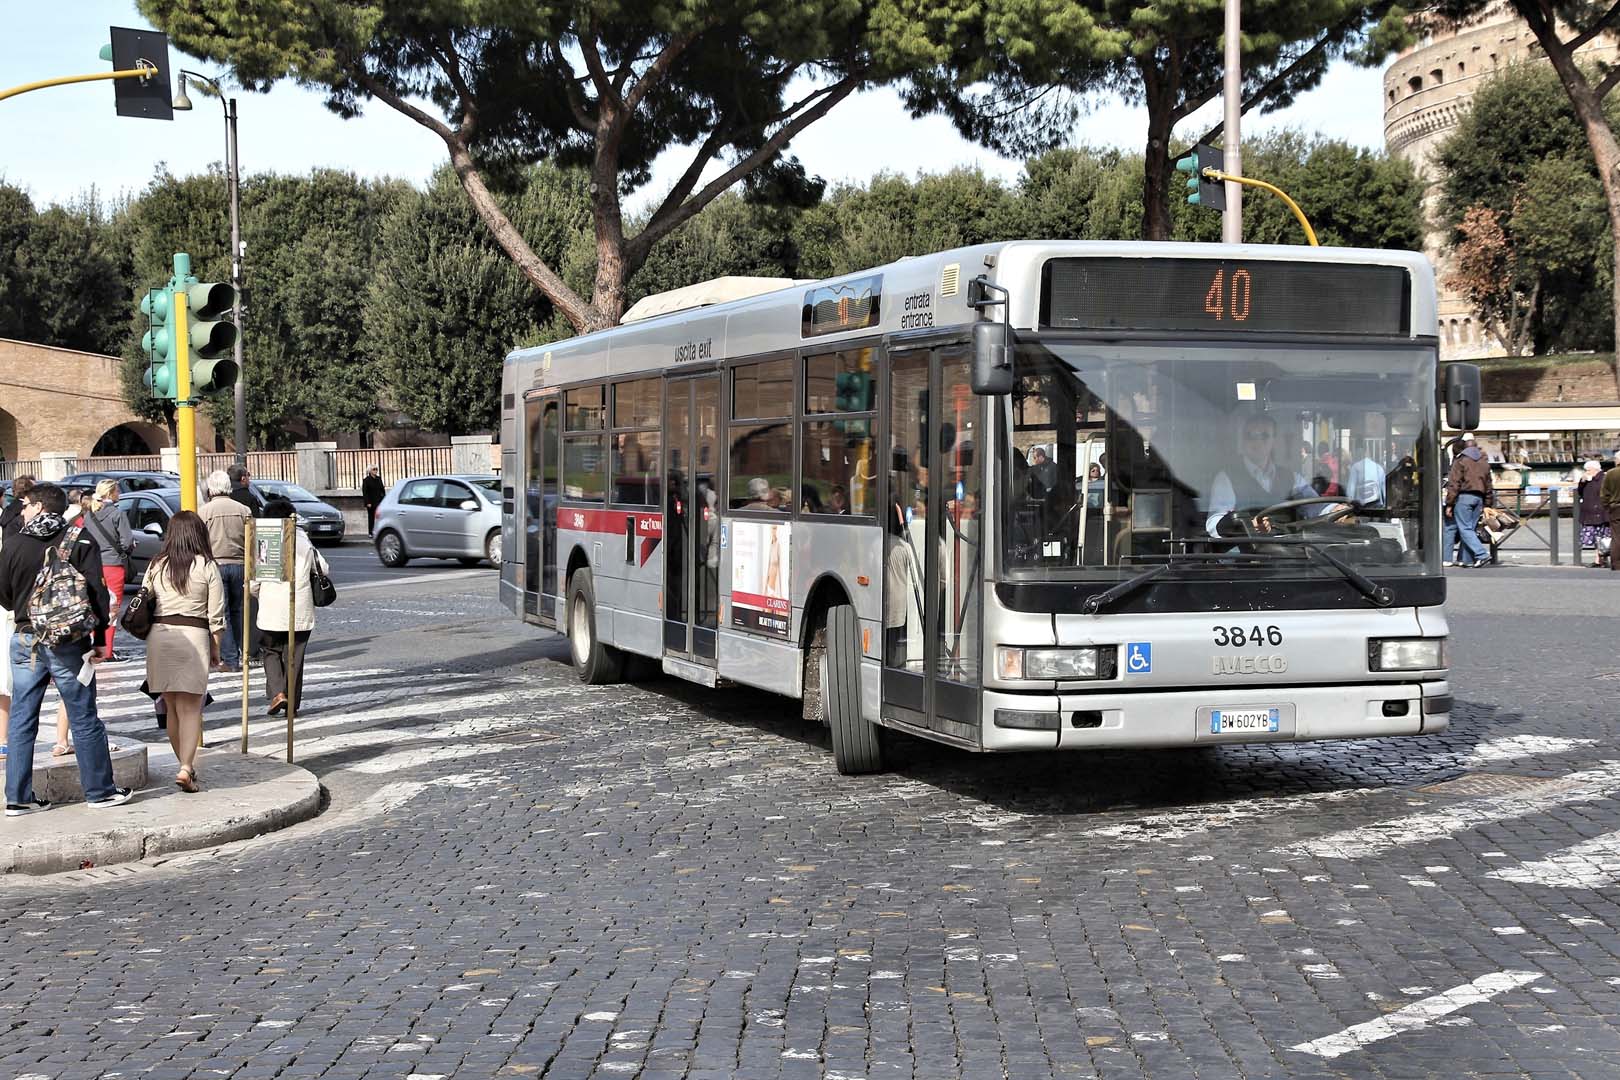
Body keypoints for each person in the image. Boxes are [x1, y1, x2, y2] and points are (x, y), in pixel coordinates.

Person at [0, 483, 130, 814]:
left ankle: (17, 797)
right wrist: (100, 639)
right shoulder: (81, 541)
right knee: (82, 714)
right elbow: (97, 594)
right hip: (69, 643)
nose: (23, 510)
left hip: (26, 639)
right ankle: (99, 792)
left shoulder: (14, 543)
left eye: (27, 505)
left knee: (22, 716)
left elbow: (2, 593)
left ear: (42, 507)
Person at [142, 511, 225, 793]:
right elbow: (216, 615)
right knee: (191, 708)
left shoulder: (157, 565)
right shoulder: (206, 566)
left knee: (172, 708)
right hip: (194, 636)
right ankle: (186, 768)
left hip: (160, 638)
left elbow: (144, 601)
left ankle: (184, 766)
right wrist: (216, 648)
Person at [252, 497, 330, 716]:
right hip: (299, 608)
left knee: (270, 650)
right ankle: (291, 707)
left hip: (270, 608)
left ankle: (278, 693)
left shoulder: (265, 541)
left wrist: (260, 594)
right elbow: (323, 568)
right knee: (294, 656)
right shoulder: (303, 540)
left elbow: (253, 582)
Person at [1205, 414, 1312, 537]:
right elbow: (1214, 524)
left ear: (1274, 441)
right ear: (1243, 441)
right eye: (1251, 436)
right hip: (1244, 553)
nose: (1257, 442)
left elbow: (1316, 506)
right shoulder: (1226, 478)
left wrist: (1334, 510)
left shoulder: (1292, 478)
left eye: (1264, 436)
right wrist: (1246, 525)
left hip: (1287, 552)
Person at [198, 470, 252, 671]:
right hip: (240, 565)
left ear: (211, 488)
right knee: (238, 611)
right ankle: (240, 653)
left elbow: (200, 542)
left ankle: (230, 660)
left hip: (216, 566)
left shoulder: (204, 512)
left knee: (223, 613)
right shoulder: (243, 510)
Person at [79, 480, 134, 663]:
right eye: (117, 490)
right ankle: (107, 650)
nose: (119, 493)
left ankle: (94, 646)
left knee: (95, 606)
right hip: (113, 566)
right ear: (110, 494)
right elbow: (126, 542)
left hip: (93, 566)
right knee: (112, 609)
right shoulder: (117, 514)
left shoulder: (89, 516)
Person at [1443, 432, 1493, 568]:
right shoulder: (1484, 462)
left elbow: (1454, 483)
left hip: (1464, 497)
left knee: (1464, 528)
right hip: (1479, 499)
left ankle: (1482, 554)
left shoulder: (1461, 461)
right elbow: (1489, 485)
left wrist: (1449, 503)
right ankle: (1466, 559)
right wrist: (1488, 503)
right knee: (1470, 528)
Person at [1577, 460, 1610, 567]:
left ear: (1596, 469)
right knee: (1597, 538)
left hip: (1601, 513)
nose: (1587, 472)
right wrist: (1582, 481)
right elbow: (1580, 492)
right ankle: (1599, 560)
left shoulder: (1603, 478)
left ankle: (1601, 560)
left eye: (1589, 470)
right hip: (1589, 514)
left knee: (1603, 537)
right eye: (1586, 470)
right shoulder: (1587, 479)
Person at [1602, 456, 1620, 574]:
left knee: (1617, 537)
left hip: (1616, 508)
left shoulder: (1610, 473)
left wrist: (1607, 507)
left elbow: (1604, 494)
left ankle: (1617, 563)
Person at [361, 466, 385, 537]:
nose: (375, 471)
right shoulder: (366, 480)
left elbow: (382, 490)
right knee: (371, 518)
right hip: (371, 502)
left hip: (379, 501)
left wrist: (384, 499)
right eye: (374, 469)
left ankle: (378, 532)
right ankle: (370, 532)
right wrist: (367, 502)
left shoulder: (379, 479)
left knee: (380, 517)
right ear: (370, 471)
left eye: (376, 469)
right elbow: (365, 493)